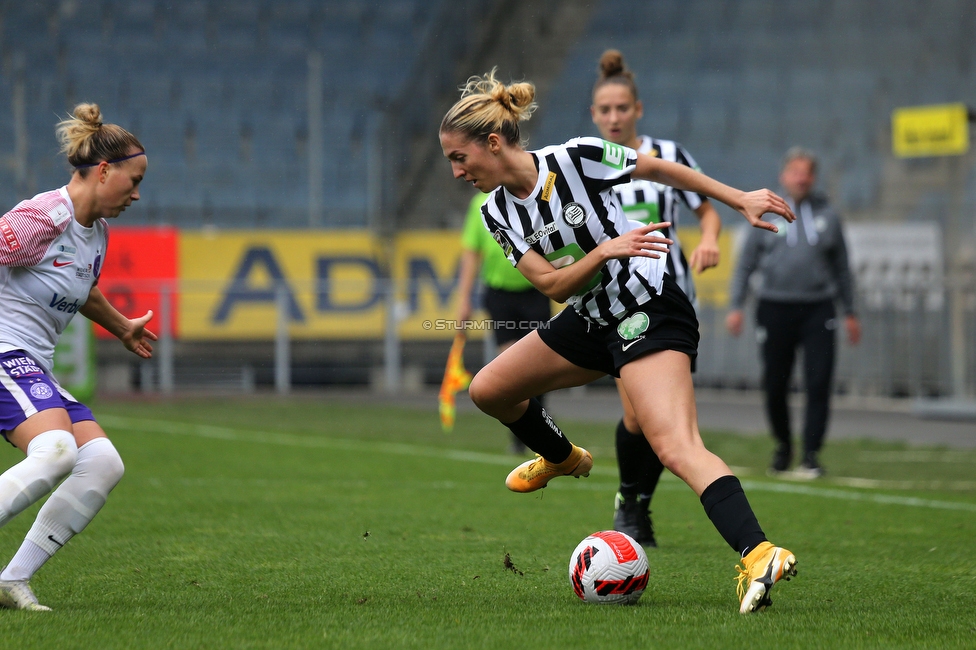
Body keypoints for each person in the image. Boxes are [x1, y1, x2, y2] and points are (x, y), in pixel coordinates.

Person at [440, 69, 798, 614]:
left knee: (675, 445)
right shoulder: (495, 212)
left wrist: (736, 199)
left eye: (459, 157)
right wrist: (604, 252)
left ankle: (760, 553)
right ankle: (561, 458)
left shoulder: (575, 159)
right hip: (588, 317)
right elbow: (552, 284)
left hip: (647, 309)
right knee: (488, 389)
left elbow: (658, 168)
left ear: (492, 143)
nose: (456, 171)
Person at [0, 104, 154, 611]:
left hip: (28, 362)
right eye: (132, 181)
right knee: (57, 451)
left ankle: (10, 581)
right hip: (3, 352)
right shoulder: (45, 216)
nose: (136, 194)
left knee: (102, 462)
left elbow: (82, 290)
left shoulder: (97, 235)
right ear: (104, 170)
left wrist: (122, 326)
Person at [590, 50, 722, 548]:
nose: (614, 117)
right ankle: (630, 501)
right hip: (618, 305)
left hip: (671, 301)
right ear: (594, 115)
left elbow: (706, 211)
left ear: (637, 110)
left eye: (622, 108)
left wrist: (709, 238)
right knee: (636, 416)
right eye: (605, 110)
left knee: (667, 421)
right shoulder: (584, 165)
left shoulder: (668, 154)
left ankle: (635, 507)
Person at [726, 147, 861, 479]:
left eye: (807, 172)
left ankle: (812, 455)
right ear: (784, 176)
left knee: (819, 382)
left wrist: (851, 311)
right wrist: (736, 306)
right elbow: (745, 264)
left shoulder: (828, 215)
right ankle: (783, 446)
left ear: (813, 178)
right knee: (775, 383)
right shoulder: (766, 213)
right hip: (774, 308)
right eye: (795, 171)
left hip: (819, 309)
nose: (801, 177)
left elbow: (842, 267)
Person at [457, 191, 552, 454]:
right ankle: (522, 435)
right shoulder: (479, 204)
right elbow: (471, 252)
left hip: (536, 290)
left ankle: (541, 428)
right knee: (511, 367)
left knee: (538, 366)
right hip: (499, 294)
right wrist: (464, 299)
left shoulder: (528, 197)